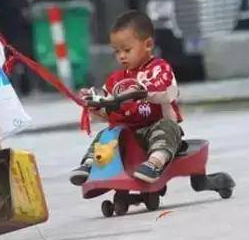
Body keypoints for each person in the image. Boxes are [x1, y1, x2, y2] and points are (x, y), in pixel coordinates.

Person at [69, 10, 183, 185]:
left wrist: (142, 92)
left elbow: (168, 91)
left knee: (167, 128)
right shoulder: (116, 79)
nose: (121, 56)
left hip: (154, 126)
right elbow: (108, 112)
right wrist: (95, 105)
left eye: (127, 50)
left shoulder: (159, 69)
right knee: (107, 134)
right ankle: (89, 164)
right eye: (117, 51)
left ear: (148, 44)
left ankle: (154, 163)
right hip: (128, 133)